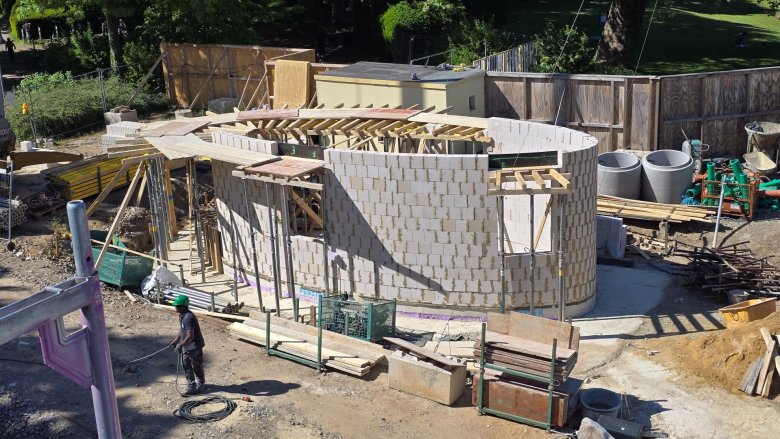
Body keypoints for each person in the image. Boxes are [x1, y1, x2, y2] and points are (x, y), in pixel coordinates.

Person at [168, 295, 206, 396]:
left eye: (178, 306)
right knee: (186, 365)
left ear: (183, 306)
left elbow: (190, 336)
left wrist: (180, 345)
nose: (175, 308)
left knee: (195, 365)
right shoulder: (182, 315)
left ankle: (199, 385)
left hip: (194, 347)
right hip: (187, 346)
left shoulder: (188, 318)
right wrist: (176, 340)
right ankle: (193, 385)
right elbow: (182, 330)